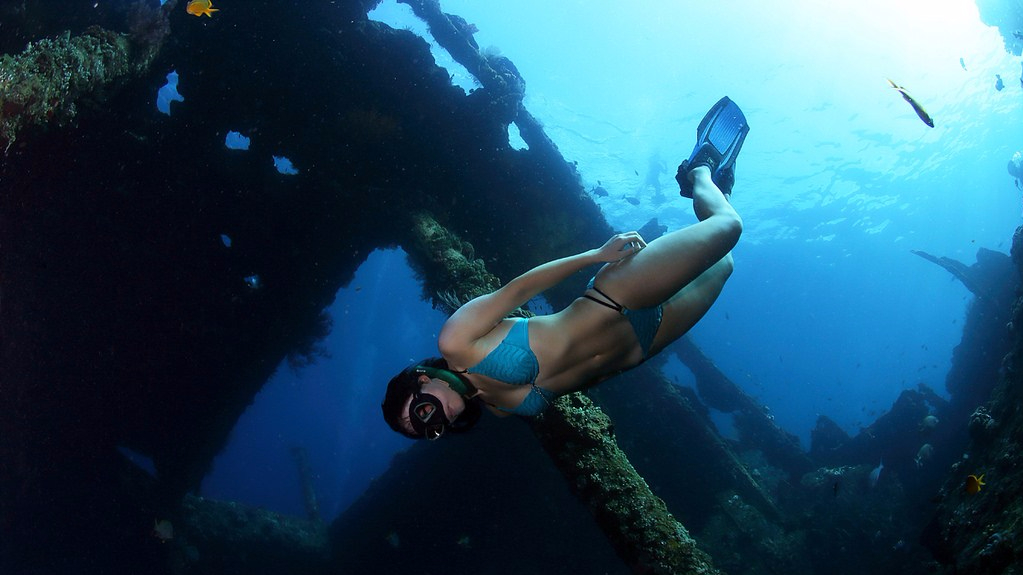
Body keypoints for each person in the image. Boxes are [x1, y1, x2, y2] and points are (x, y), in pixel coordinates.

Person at [382, 97, 750, 440]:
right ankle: (722, 188)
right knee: (725, 261)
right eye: (430, 431)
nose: (436, 421)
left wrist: (595, 255)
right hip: (643, 342)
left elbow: (519, 289)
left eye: (423, 412)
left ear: (422, 379)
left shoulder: (456, 340)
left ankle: (699, 170)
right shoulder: (499, 409)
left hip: (616, 297)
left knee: (727, 228)